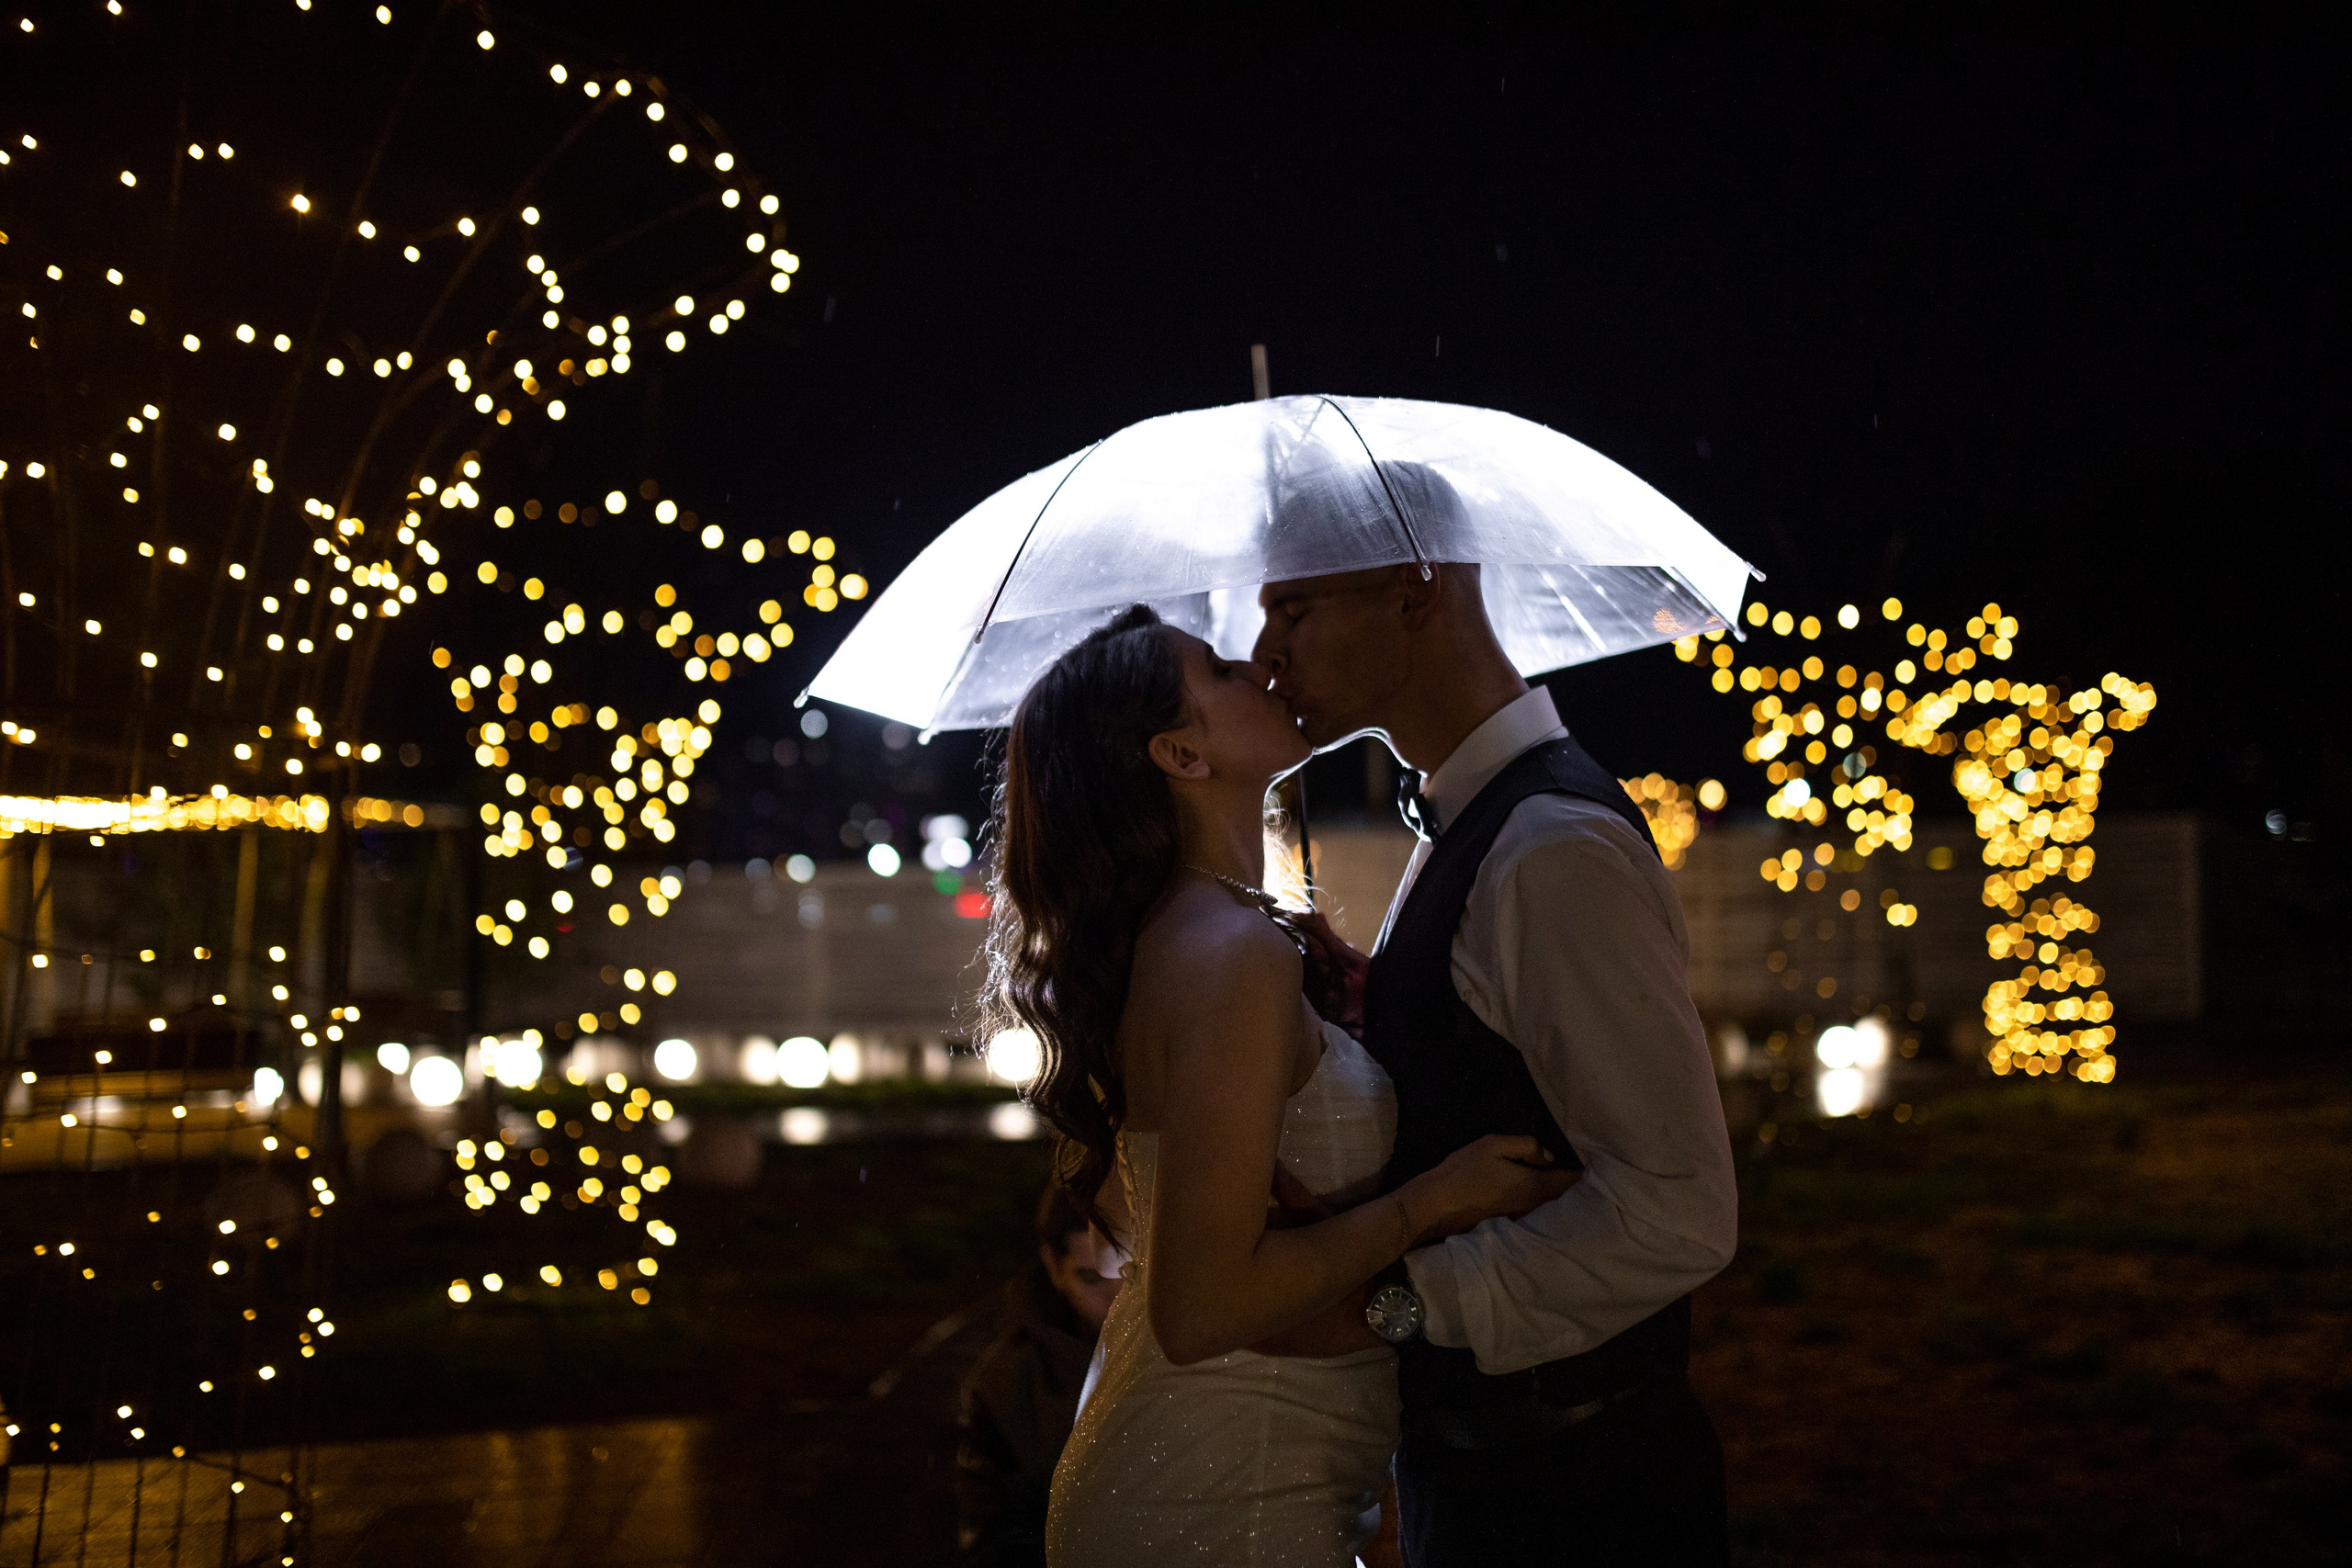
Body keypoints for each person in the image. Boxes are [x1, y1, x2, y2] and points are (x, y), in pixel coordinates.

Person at [986, 606, 1571, 1566]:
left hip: (1213, 1469)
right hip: (1221, 1498)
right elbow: (1200, 1310)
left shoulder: (1190, 936)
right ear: (1179, 753)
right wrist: (1434, 1201)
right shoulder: (1227, 954)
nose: (1259, 667)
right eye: (1219, 670)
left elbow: (1126, 1201)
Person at [1250, 549, 1741, 1565]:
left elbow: (1678, 1210)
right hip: (1489, 1479)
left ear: (1414, 592)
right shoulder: (1472, 820)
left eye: (1292, 610)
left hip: (1576, 1502)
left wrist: (1395, 1305)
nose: (1265, 655)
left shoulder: (1550, 848)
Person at [956, 1185, 1129, 1567]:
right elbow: (998, 1539)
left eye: (1132, 1274)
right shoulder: (1007, 1384)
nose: (1118, 1301)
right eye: (1092, 1279)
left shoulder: (1219, 1350)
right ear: (1053, 1267)